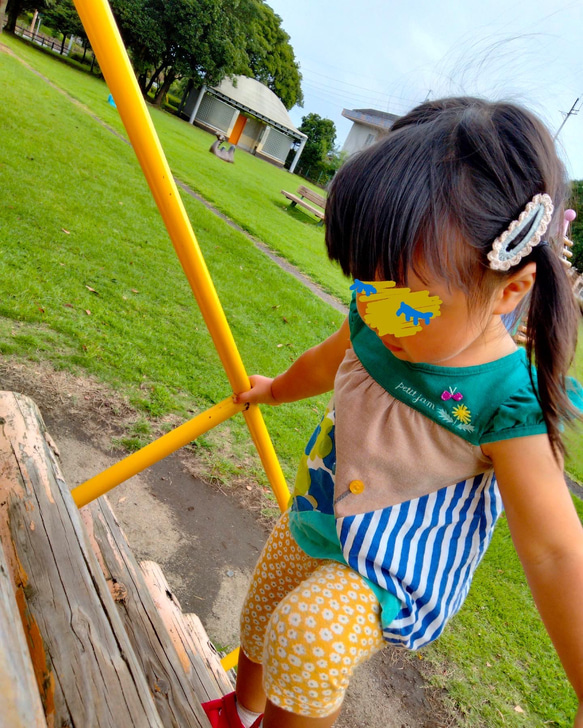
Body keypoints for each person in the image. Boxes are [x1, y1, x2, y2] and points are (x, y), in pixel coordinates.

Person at [202, 97, 583, 728]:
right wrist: (273, 390)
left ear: (509, 290)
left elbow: (555, 551)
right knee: (261, 611)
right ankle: (240, 710)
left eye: (407, 297)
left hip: (391, 569)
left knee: (307, 633)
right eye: (364, 282)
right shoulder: (382, 316)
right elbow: (322, 365)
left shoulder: (507, 402)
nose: (378, 310)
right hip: (319, 514)